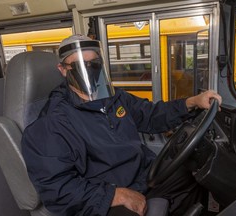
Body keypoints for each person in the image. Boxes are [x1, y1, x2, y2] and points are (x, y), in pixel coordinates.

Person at [22, 34, 222, 216]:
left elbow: (151, 115)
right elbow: (57, 187)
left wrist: (191, 102)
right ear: (63, 70)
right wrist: (114, 195)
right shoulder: (51, 123)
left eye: (95, 63)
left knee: (192, 174)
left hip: (143, 176)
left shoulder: (114, 98)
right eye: (82, 65)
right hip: (105, 195)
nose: (90, 70)